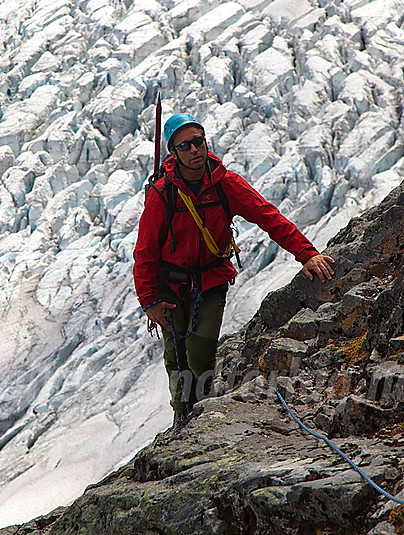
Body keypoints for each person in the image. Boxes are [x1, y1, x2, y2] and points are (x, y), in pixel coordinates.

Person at [133, 113, 334, 432]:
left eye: (198, 141)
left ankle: (200, 411)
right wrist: (148, 300)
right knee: (176, 357)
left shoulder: (224, 182)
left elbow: (268, 216)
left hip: (211, 282)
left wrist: (306, 253)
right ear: (174, 152)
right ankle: (182, 415)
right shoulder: (162, 194)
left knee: (199, 354)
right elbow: (145, 251)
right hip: (169, 288)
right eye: (185, 145)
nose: (194, 150)